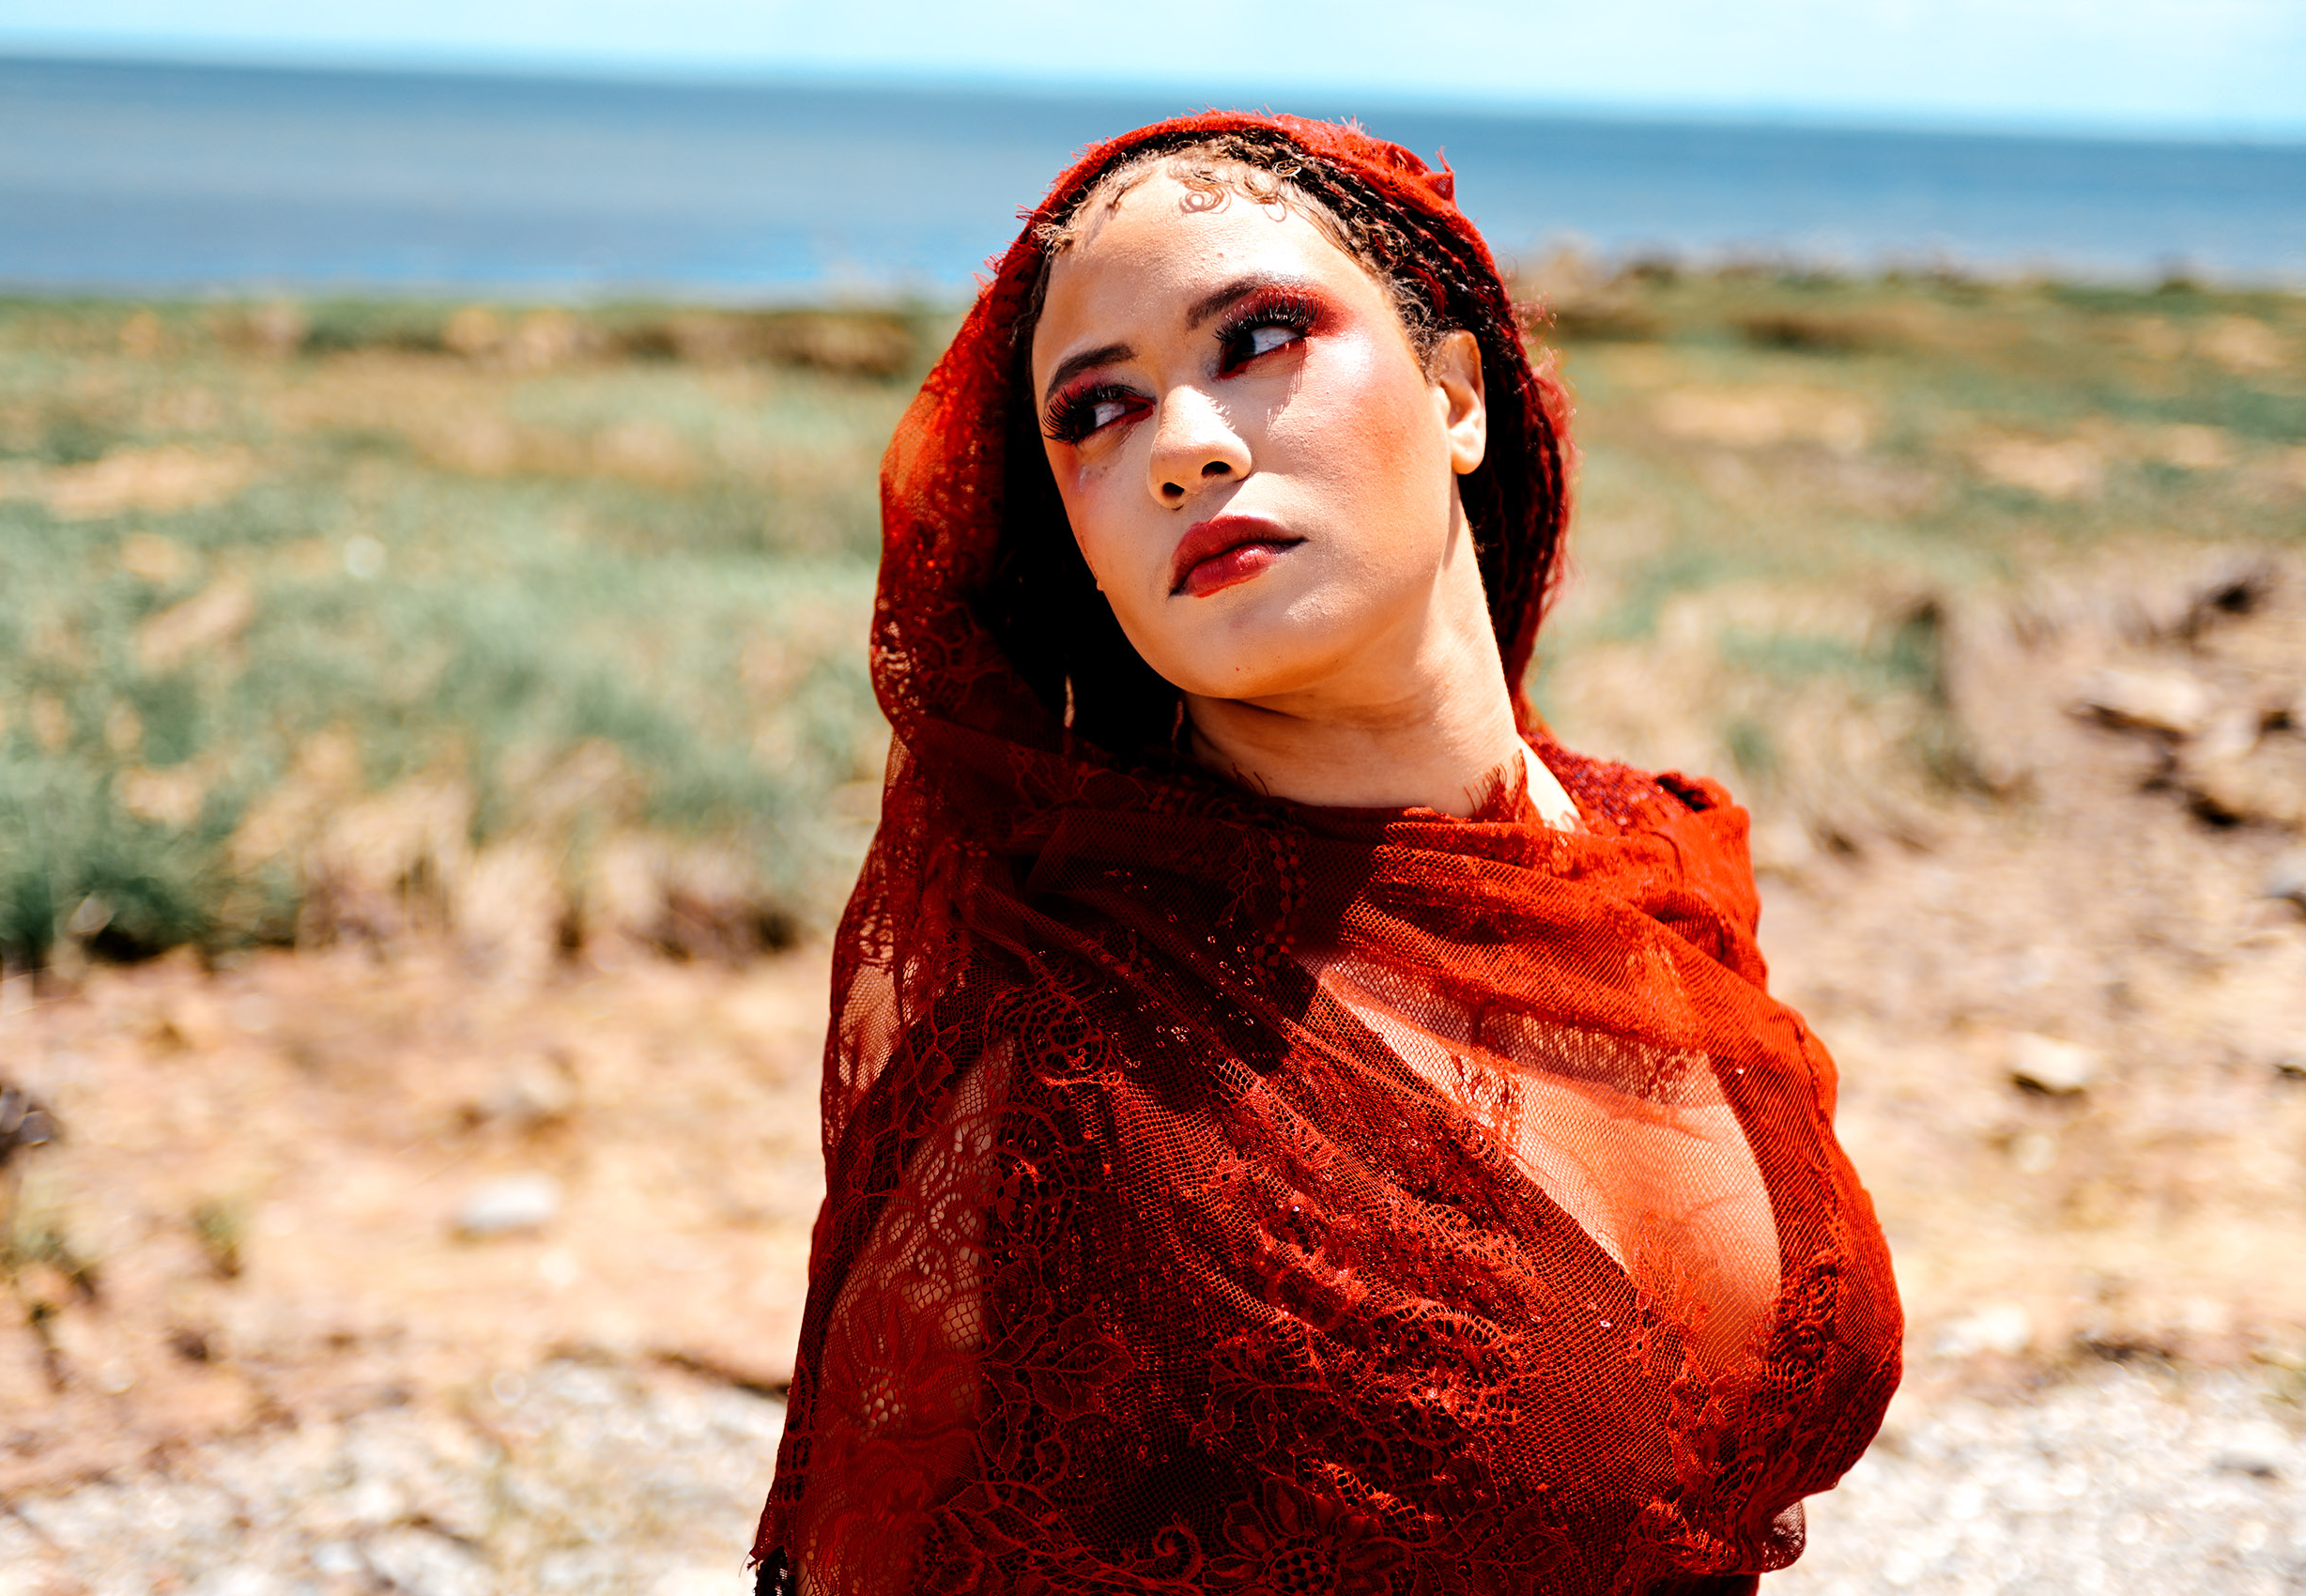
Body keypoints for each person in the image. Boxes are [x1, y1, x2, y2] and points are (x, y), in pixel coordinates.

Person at [751, 112, 1901, 1596]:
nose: (1183, 446)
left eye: (1259, 337)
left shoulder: (1652, 856)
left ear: (1455, 396)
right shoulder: (1073, 1070)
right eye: (1096, 412)